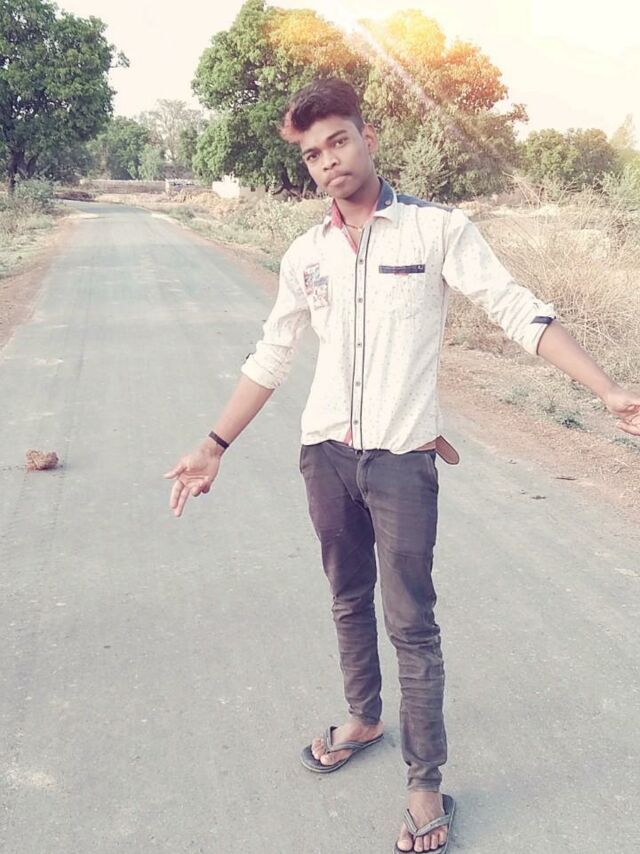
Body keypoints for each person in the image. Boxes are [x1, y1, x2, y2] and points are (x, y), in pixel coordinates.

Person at [164, 78, 640, 853]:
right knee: (346, 598)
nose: (328, 161)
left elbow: (516, 310)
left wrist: (607, 389)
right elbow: (271, 355)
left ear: (369, 137)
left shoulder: (436, 231)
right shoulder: (306, 255)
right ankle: (363, 716)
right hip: (325, 456)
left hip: (402, 466)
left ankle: (424, 781)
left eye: (339, 141)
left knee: (411, 622)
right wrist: (212, 445)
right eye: (312, 154)